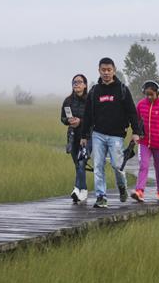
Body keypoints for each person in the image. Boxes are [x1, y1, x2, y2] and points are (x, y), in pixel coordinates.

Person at [80, 57, 144, 208]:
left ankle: (122, 187)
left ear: (114, 70)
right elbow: (87, 114)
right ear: (99, 71)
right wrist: (84, 135)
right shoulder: (94, 91)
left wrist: (136, 132)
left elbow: (132, 112)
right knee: (98, 166)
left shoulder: (122, 89)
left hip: (116, 135)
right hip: (98, 134)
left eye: (109, 70)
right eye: (103, 70)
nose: (106, 73)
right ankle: (101, 197)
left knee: (117, 165)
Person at [131, 80, 159, 203]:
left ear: (157, 93)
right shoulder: (140, 105)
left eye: (151, 94)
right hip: (144, 143)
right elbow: (137, 121)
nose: (149, 97)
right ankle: (139, 191)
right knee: (143, 165)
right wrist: (137, 133)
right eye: (147, 94)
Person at [60, 74, 91, 203]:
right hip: (73, 136)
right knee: (77, 164)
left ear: (85, 85)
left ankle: (78, 190)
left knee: (82, 162)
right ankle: (81, 191)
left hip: (88, 136)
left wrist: (81, 121)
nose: (76, 84)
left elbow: (94, 120)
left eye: (79, 82)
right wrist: (69, 120)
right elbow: (62, 118)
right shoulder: (68, 101)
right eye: (74, 82)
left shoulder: (90, 100)